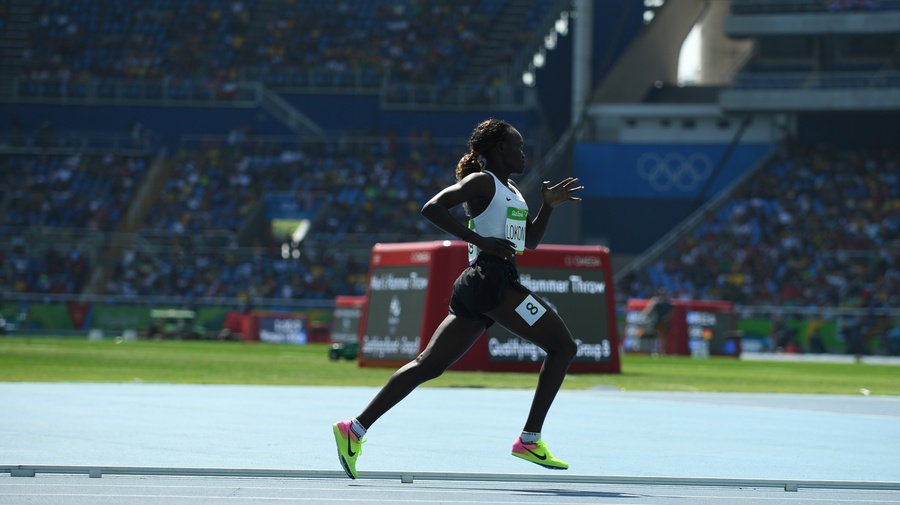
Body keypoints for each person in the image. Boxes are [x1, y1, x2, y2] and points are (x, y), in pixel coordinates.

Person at [332, 118, 584, 479]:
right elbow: (432, 207)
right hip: (491, 281)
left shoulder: (511, 188)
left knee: (428, 365)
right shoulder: (482, 182)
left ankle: (353, 429)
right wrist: (480, 241)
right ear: (498, 150)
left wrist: (549, 206)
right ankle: (529, 439)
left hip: (484, 285)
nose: (523, 153)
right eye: (517, 146)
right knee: (563, 347)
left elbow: (528, 242)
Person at [641, 287, 673, 356]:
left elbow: (670, 313)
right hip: (656, 321)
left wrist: (666, 318)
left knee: (663, 337)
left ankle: (662, 351)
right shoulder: (657, 302)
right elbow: (649, 310)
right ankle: (654, 350)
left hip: (663, 322)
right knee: (655, 336)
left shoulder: (667, 303)